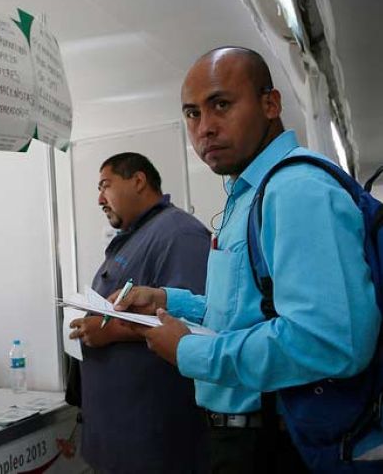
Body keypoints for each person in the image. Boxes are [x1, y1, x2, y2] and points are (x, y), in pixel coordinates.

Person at [115, 47, 380, 472]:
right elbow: (248, 310)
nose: (204, 128)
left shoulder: (296, 190)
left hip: (280, 441)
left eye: (221, 105)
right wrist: (167, 300)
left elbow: (330, 341)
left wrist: (190, 352)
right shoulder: (249, 194)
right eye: (191, 114)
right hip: (244, 436)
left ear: (270, 104)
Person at [69, 152, 211, 472]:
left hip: (152, 439)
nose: (99, 199)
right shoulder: (135, 237)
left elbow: (195, 321)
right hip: (118, 433)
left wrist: (108, 331)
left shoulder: (179, 233)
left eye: (105, 185)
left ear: (138, 180)